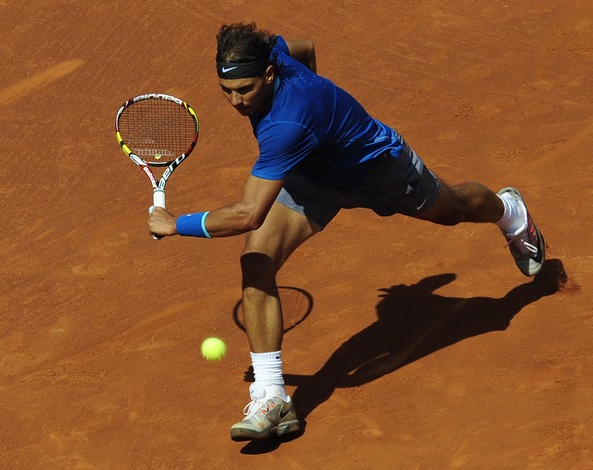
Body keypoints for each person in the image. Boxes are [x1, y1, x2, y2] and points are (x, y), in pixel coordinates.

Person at [148, 22, 545, 441]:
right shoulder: (276, 57)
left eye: (244, 90)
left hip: (380, 170)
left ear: (267, 75)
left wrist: (176, 224)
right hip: (313, 177)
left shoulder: (286, 126)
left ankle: (511, 212)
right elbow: (303, 46)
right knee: (257, 261)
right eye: (226, 91)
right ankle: (272, 396)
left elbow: (249, 213)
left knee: (453, 210)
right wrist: (322, 126)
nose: (235, 101)